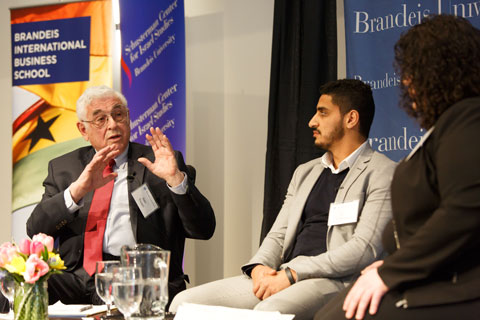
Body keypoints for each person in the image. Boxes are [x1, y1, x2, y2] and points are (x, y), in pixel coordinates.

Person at [169, 79, 396, 319]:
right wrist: (258, 268)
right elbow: (278, 234)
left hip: (335, 280)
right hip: (285, 274)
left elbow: (363, 249)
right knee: (183, 302)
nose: (312, 121)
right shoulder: (306, 172)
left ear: (351, 119)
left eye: (322, 112)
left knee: (269, 312)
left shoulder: (382, 172)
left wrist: (294, 273)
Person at [315, 15, 480, 320]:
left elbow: (465, 210)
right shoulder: (448, 127)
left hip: (458, 286)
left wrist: (394, 270)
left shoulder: (468, 119)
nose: (405, 81)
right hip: (426, 275)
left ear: (439, 70)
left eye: (412, 71)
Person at [21, 85, 215, 306]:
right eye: (100, 119)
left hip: (138, 277)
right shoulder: (64, 168)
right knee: (19, 281)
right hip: (76, 277)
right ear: (83, 130)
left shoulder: (159, 162)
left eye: (118, 114)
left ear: (128, 118)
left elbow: (204, 229)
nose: (112, 124)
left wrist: (176, 180)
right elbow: (36, 228)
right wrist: (77, 191)